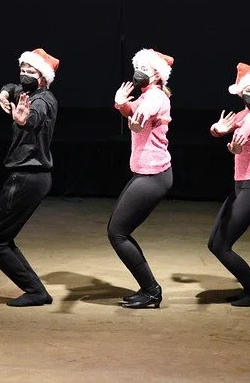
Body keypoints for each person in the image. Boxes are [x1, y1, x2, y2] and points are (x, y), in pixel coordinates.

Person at [0, 48, 60, 307]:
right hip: (30, 177)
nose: (25, 75)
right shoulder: (28, 92)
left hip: (27, 177)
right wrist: (4, 92)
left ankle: (35, 291)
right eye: (22, 70)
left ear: (43, 76)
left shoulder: (42, 100)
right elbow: (12, 87)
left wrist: (25, 121)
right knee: (1, 238)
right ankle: (36, 290)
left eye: (31, 71)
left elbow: (35, 117)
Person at [109, 48, 174, 309]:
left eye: (146, 69)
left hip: (154, 175)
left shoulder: (156, 96)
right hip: (147, 173)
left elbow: (144, 111)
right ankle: (148, 289)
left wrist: (137, 118)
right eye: (139, 68)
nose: (140, 73)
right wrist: (121, 103)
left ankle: (152, 291)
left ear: (158, 75)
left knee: (117, 233)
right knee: (118, 231)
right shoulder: (147, 94)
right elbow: (133, 109)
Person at [207, 62, 250, 307]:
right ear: (241, 92)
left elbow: (244, 131)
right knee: (214, 244)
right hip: (242, 187)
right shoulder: (242, 115)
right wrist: (218, 129)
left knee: (222, 246)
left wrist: (237, 144)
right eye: (249, 90)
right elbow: (221, 130)